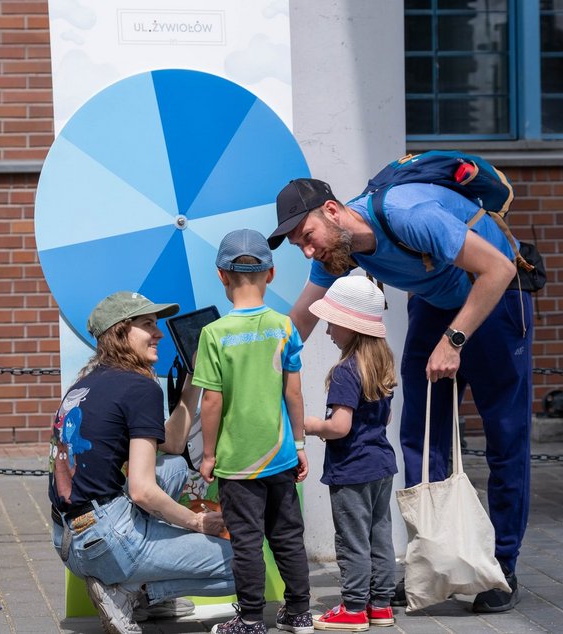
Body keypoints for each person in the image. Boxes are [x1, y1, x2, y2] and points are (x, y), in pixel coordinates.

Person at [268, 176, 531, 613]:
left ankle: (503, 567)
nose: (308, 251)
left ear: (331, 211)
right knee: (420, 441)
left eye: (307, 237)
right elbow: (300, 324)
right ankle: (433, 562)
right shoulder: (337, 249)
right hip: (435, 302)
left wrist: (453, 340)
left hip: (495, 295)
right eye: (299, 246)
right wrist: (255, 372)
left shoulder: (408, 215)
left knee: (505, 440)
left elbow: (499, 269)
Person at [49, 290, 235, 634]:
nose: (158, 333)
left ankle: (138, 588)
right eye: (148, 324)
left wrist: (193, 377)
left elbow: (173, 443)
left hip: (68, 540)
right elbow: (143, 491)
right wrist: (197, 523)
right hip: (107, 541)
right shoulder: (139, 387)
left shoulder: (88, 382)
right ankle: (134, 592)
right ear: (120, 332)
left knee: (175, 466)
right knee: (246, 563)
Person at [193, 228, 314, 634]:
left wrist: (208, 455)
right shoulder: (284, 327)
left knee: (246, 540)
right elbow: (293, 393)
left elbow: (212, 402)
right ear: (271, 273)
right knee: (288, 536)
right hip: (280, 454)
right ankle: (299, 613)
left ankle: (249, 619)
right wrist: (299, 444)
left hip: (238, 461)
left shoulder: (214, 334)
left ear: (221, 275)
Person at [304, 275, 399, 631]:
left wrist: (311, 425)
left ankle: (355, 608)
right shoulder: (381, 364)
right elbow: (385, 417)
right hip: (381, 466)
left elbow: (340, 427)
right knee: (379, 536)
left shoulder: (346, 371)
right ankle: (381, 605)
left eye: (332, 322)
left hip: (352, 470)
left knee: (352, 539)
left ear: (350, 325)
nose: (328, 330)